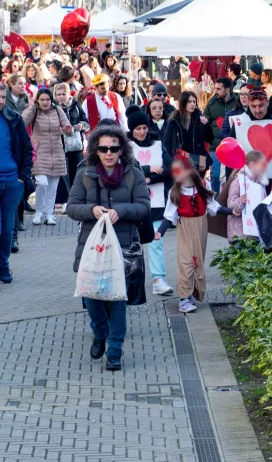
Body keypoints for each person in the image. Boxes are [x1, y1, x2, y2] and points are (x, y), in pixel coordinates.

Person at [66, 123, 150, 370]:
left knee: (117, 301)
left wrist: (121, 211)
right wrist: (91, 210)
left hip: (123, 246)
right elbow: (70, 207)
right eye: (103, 148)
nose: (109, 153)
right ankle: (100, 332)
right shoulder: (86, 174)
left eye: (114, 148)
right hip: (92, 247)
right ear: (96, 150)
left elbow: (144, 206)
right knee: (92, 297)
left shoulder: (133, 173)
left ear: (121, 149)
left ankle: (115, 350)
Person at [155, 156, 237, 313]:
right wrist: (160, 232)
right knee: (185, 262)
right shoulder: (175, 192)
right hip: (185, 228)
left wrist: (231, 211)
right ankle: (183, 298)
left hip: (200, 226)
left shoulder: (202, 186)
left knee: (197, 262)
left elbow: (214, 207)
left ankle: (192, 292)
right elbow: (169, 216)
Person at [127, 110, 174, 296]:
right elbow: (126, 169)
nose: (142, 132)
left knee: (156, 241)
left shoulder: (158, 145)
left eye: (145, 127)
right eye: (138, 128)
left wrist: (150, 179)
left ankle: (158, 279)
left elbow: (169, 168)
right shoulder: (125, 147)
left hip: (155, 201)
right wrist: (147, 170)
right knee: (131, 244)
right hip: (132, 203)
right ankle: (129, 281)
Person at [22, 88, 72, 225]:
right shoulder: (35, 111)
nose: (45, 102)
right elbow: (22, 122)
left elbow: (68, 128)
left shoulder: (57, 110)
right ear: (38, 100)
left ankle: (49, 214)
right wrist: (31, 107)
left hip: (56, 152)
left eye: (48, 99)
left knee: (53, 186)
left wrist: (68, 129)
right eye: (42, 99)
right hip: (39, 152)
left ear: (52, 100)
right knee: (42, 183)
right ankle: (39, 211)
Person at [0, 84, 32, 279]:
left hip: (12, 181)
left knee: (7, 229)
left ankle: (3, 265)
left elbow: (28, 149)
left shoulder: (13, 117)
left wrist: (22, 177)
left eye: (3, 97)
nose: (1, 101)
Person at [162, 91, 212, 174]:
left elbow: (209, 139)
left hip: (198, 159)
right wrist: (170, 161)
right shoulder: (174, 120)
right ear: (183, 102)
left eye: (194, 102)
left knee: (197, 185)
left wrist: (206, 125)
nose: (192, 104)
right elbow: (167, 142)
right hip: (180, 159)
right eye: (189, 102)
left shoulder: (200, 119)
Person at [204, 77, 238, 193]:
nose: (216, 91)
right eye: (215, 88)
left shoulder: (237, 102)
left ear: (227, 90)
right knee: (215, 175)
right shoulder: (211, 103)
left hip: (234, 147)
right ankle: (215, 200)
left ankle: (229, 197)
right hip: (216, 145)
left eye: (219, 89)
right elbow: (205, 122)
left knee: (232, 176)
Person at [226, 151, 268, 242]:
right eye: (262, 164)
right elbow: (230, 203)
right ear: (252, 164)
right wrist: (240, 201)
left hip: (255, 232)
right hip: (239, 231)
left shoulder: (261, 183)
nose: (265, 167)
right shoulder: (238, 181)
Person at [56, 83, 88, 190]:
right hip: (60, 148)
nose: (61, 97)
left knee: (77, 174)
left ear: (69, 94)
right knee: (63, 177)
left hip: (76, 147)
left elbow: (87, 124)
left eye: (63, 94)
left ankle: (77, 197)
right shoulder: (53, 109)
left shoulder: (76, 106)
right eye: (58, 94)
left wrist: (81, 126)